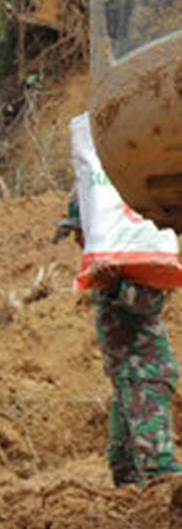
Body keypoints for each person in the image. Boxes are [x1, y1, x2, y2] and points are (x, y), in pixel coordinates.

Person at [57, 196, 182, 487]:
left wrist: (116, 285)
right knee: (122, 464)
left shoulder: (131, 260)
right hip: (126, 378)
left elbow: (149, 306)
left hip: (146, 375)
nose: (76, 240)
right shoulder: (107, 262)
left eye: (80, 231)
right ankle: (139, 514)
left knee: (158, 465)